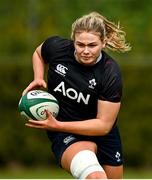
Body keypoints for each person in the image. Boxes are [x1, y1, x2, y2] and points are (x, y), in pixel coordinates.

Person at [22, 11, 131, 179]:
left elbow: (103, 125)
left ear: (103, 42)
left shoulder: (110, 73)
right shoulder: (58, 48)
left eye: (92, 45)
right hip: (66, 132)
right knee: (95, 177)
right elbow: (38, 53)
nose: (85, 51)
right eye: (80, 45)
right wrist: (38, 77)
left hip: (101, 133)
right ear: (73, 40)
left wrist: (57, 125)